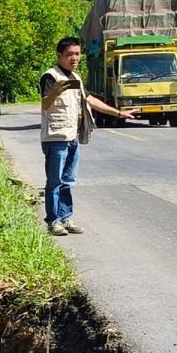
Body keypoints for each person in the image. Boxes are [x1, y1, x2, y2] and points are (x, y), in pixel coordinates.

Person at [40, 37, 136, 236]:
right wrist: (55, 92)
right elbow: (45, 105)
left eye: (77, 54)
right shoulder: (50, 76)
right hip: (56, 138)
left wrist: (118, 113)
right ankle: (53, 221)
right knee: (55, 182)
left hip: (72, 137)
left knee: (67, 181)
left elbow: (89, 100)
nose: (74, 58)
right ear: (59, 56)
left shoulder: (75, 78)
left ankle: (65, 218)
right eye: (69, 54)